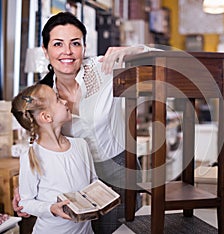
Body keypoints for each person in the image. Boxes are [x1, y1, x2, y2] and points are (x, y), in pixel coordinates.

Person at [13, 11, 158, 233]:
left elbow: (163, 62)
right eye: (58, 44)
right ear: (45, 50)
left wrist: (133, 50)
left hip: (119, 170)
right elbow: (36, 139)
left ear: (84, 47)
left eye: (75, 43)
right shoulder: (42, 95)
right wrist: (23, 189)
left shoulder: (104, 68)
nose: (67, 52)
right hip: (72, 183)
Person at [11, 83, 98, 233]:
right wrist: (50, 208)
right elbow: (25, 203)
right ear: (46, 116)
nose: (64, 101)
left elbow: (93, 181)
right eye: (58, 99)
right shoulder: (32, 156)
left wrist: (102, 194)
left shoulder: (81, 145)